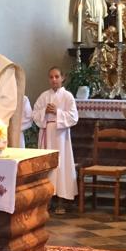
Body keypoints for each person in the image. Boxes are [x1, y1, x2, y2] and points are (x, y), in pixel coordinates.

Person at [32, 68, 78, 212]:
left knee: (61, 165)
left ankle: (61, 200)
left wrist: (57, 112)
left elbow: (73, 117)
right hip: (46, 133)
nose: (54, 80)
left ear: (62, 78)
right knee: (47, 166)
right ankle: (47, 199)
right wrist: (44, 112)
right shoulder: (44, 96)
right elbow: (34, 114)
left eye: (57, 76)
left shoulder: (68, 96)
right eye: (51, 77)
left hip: (61, 136)